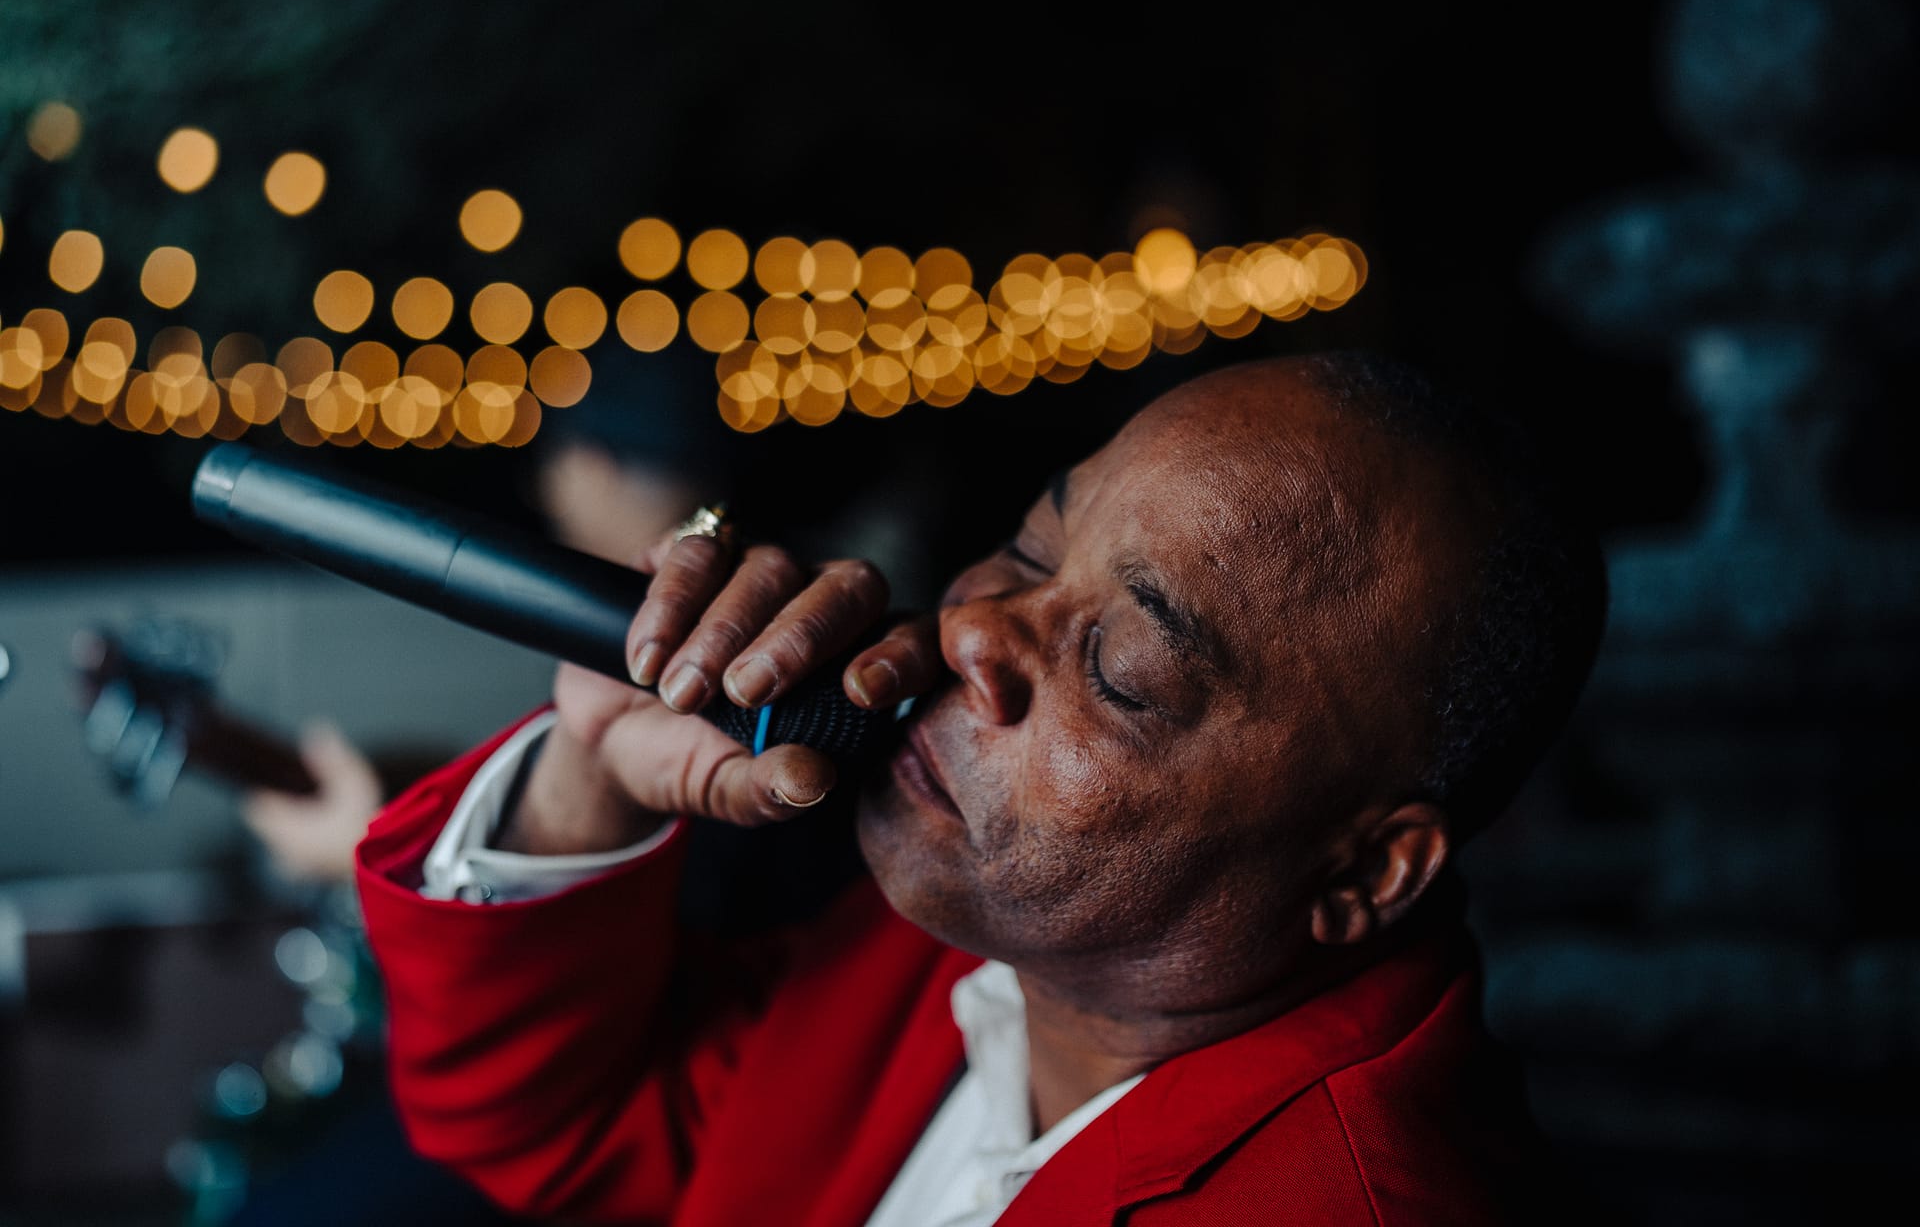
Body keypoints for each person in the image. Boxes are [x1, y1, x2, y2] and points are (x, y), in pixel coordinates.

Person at [356, 353, 1606, 1225]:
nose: (973, 628)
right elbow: (562, 1127)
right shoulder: (963, 958)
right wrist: (591, 768)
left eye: (1122, 670)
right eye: (1029, 547)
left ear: (1364, 868)